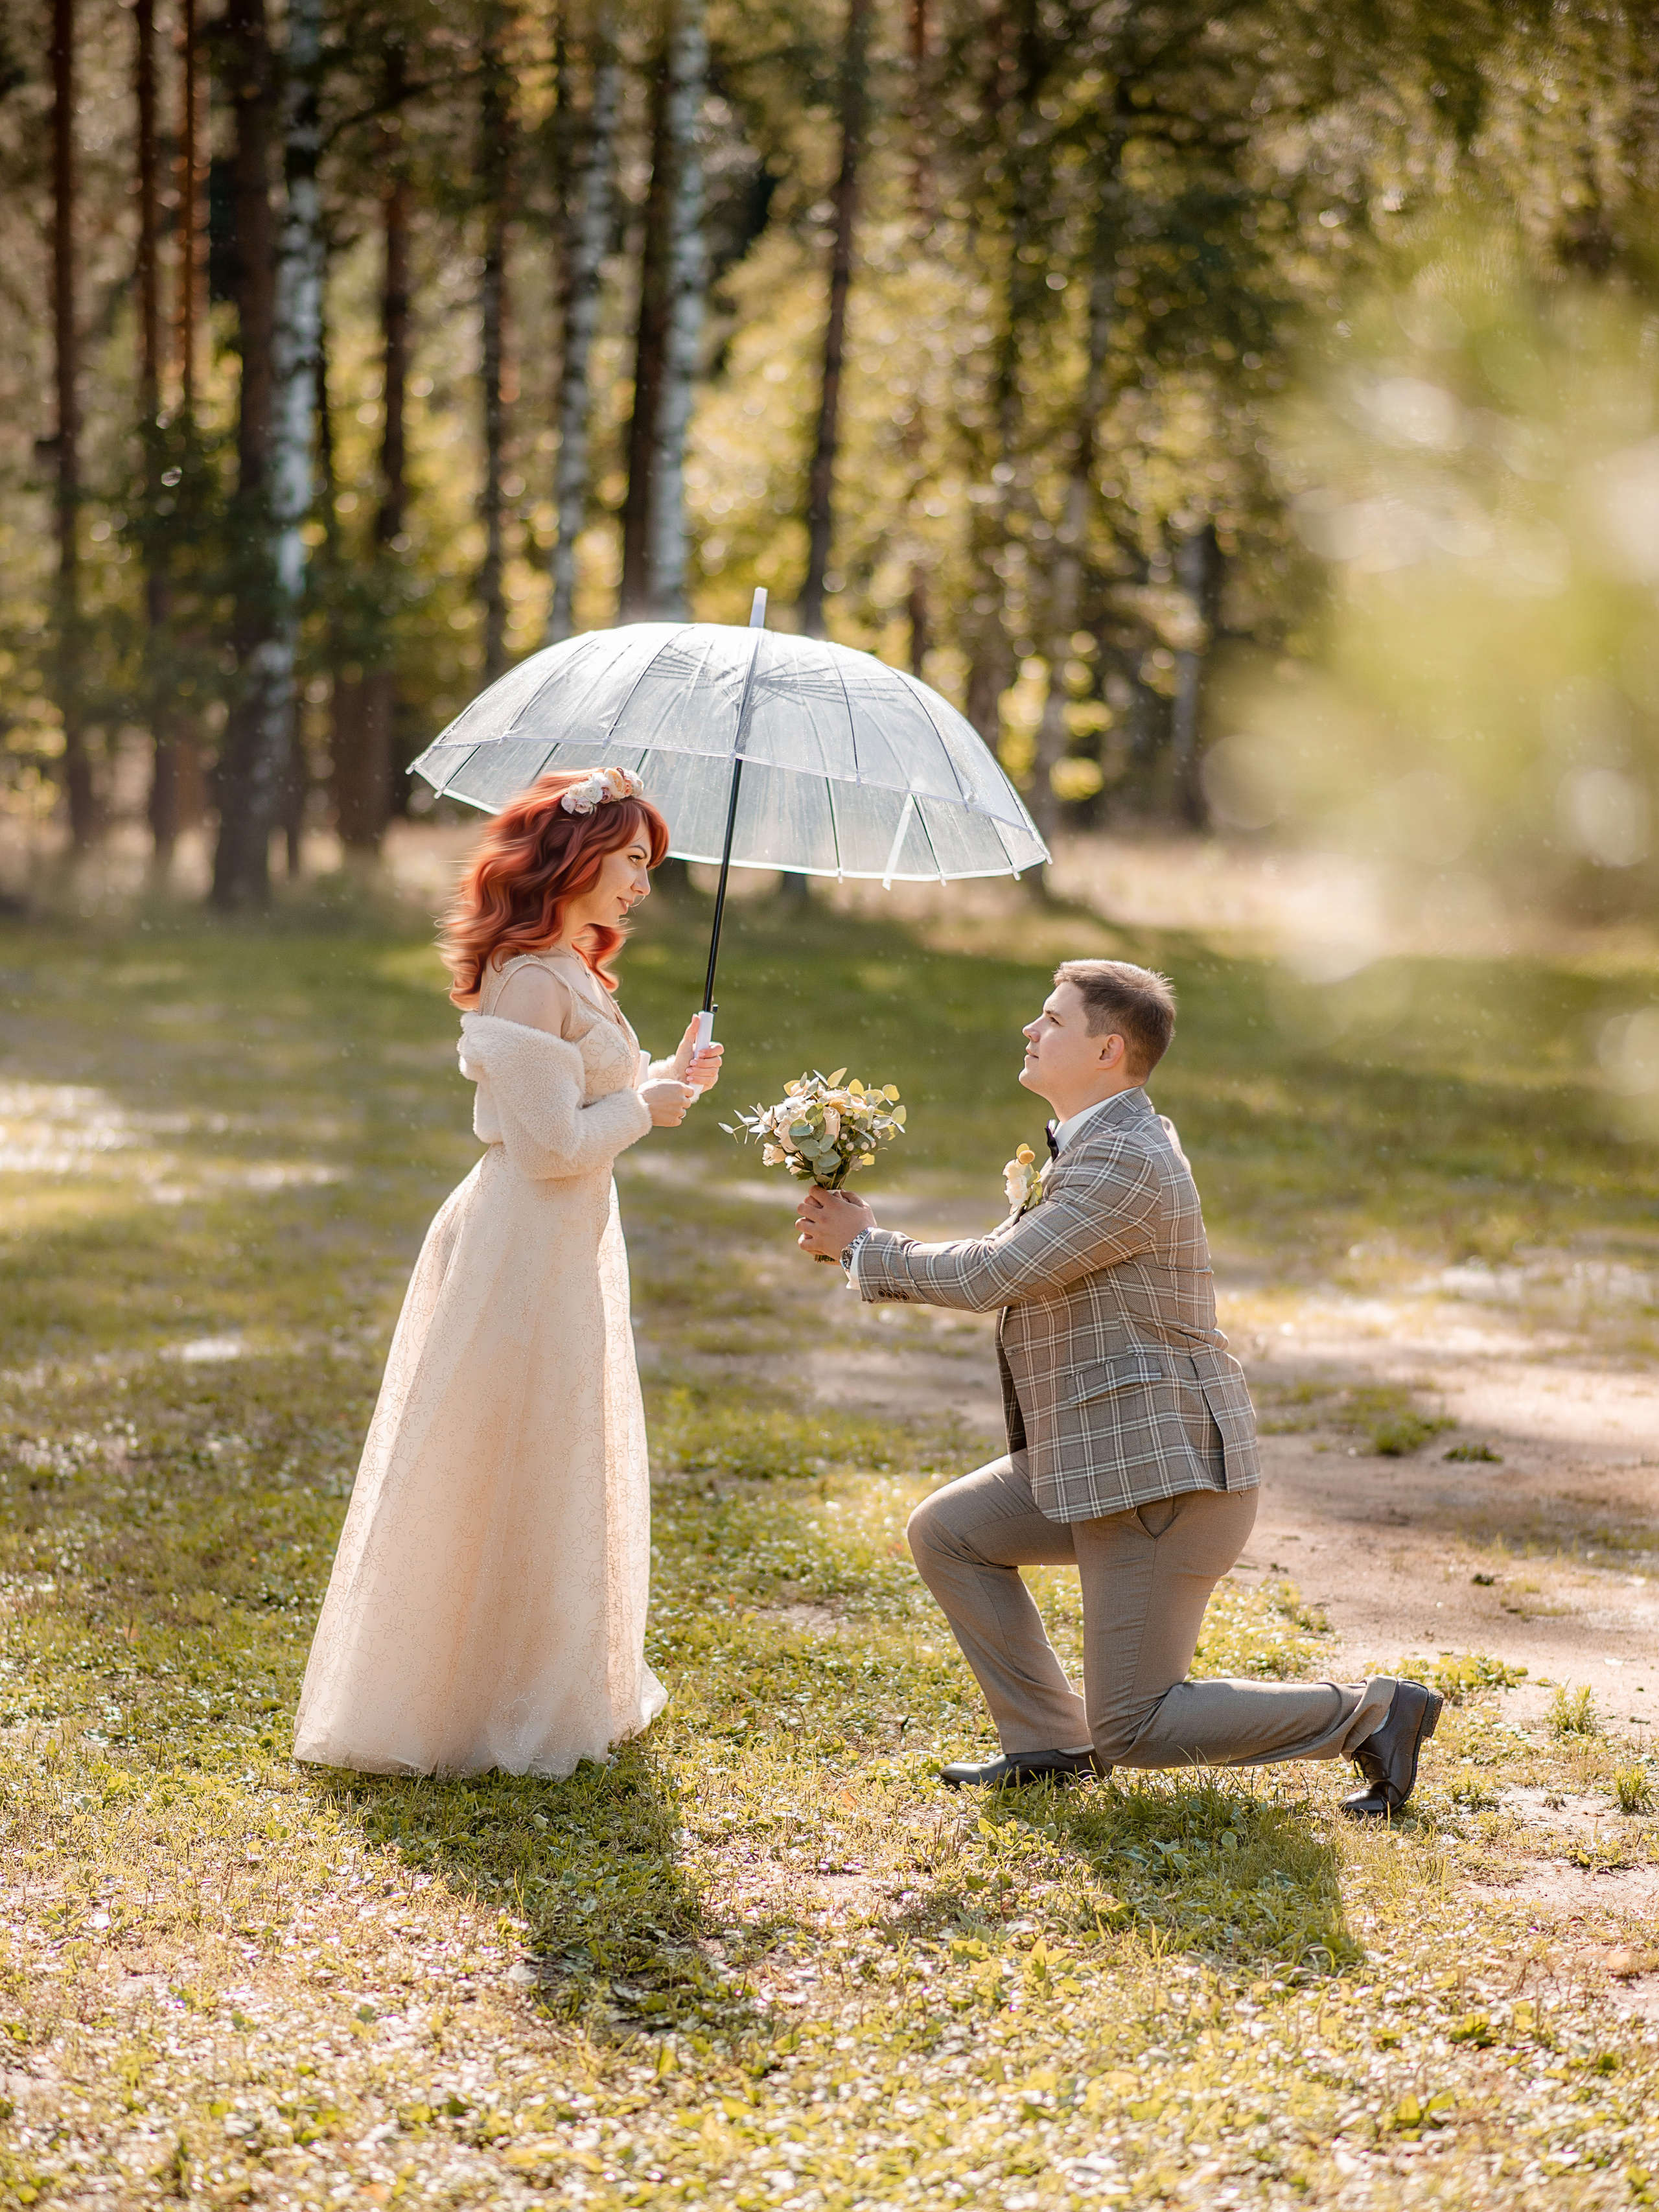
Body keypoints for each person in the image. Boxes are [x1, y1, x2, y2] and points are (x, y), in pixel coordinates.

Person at [795, 959, 1439, 1819]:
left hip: (1160, 1477)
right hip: (1097, 1459)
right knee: (949, 1532)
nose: (1030, 1030)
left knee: (1136, 1724)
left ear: (1107, 1049)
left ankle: (1374, 1712)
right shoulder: (1095, 1144)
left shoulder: (1128, 1160)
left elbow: (999, 1271)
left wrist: (867, 1249)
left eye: (1051, 1021)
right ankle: (1049, 1745)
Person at [294, 767, 721, 1778]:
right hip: (524, 1239)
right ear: (576, 857)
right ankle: (472, 1698)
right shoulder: (530, 976)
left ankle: (541, 1673)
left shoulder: (569, 966)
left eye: (649, 868)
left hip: (566, 1236)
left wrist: (666, 1075)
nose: (641, 886)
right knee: (504, 1446)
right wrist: (645, 1109)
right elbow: (546, 1145)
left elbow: (581, 1105)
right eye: (631, 862)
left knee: (554, 1445)